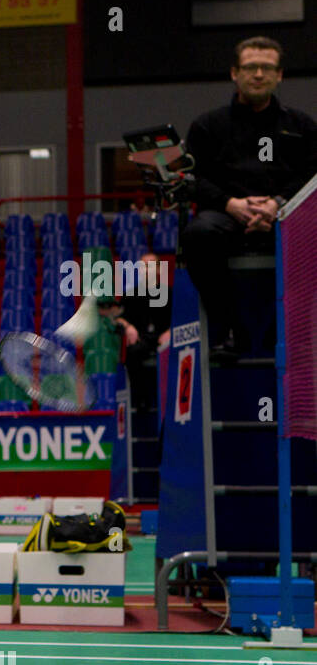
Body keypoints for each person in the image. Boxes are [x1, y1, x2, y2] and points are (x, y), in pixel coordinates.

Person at [182, 35, 317, 357]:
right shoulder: (207, 126)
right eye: (251, 67)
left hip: (286, 215)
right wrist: (231, 204)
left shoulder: (301, 125)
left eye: (267, 68)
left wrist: (278, 204)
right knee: (198, 234)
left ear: (279, 75)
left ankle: (289, 332)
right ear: (235, 73)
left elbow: (310, 175)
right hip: (226, 213)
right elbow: (192, 177)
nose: (259, 74)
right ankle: (228, 330)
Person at [111, 252, 172, 410]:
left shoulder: (171, 294)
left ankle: (171, 402)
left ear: (159, 270)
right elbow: (116, 318)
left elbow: (184, 317)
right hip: (142, 339)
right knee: (132, 352)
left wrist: (171, 331)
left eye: (151, 266)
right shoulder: (130, 296)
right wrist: (128, 326)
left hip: (165, 340)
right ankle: (141, 402)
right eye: (143, 266)